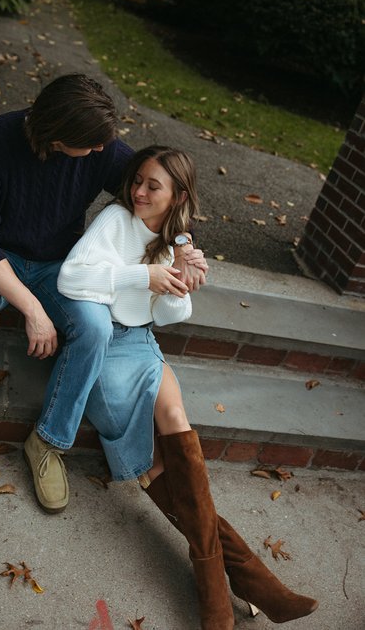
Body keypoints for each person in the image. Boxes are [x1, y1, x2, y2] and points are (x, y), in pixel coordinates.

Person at [0, 74, 201, 510]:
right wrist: (31, 309)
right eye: (93, 144)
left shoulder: (96, 145)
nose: (104, 151)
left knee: (95, 327)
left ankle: (48, 443)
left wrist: (183, 246)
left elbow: (161, 188)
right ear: (59, 136)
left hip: (57, 268)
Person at [57, 146, 319, 630]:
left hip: (140, 343)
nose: (138, 191)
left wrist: (182, 280)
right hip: (105, 348)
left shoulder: (177, 240)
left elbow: (167, 317)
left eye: (152, 186)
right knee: (157, 467)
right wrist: (144, 274)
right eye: (137, 180)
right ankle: (246, 591)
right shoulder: (115, 220)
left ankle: (226, 602)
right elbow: (71, 277)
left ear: (177, 194)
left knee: (178, 423)